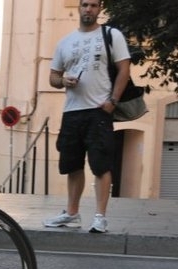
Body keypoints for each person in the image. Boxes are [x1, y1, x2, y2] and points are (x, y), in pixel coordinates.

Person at [43, 0, 130, 233]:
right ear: (79, 8)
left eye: (93, 5)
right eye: (84, 5)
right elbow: (53, 77)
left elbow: (124, 69)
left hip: (99, 111)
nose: (88, 9)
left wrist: (113, 101)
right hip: (72, 112)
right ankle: (72, 213)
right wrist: (64, 81)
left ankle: (100, 217)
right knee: (72, 165)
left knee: (101, 165)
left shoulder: (111, 35)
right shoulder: (65, 42)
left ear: (99, 8)